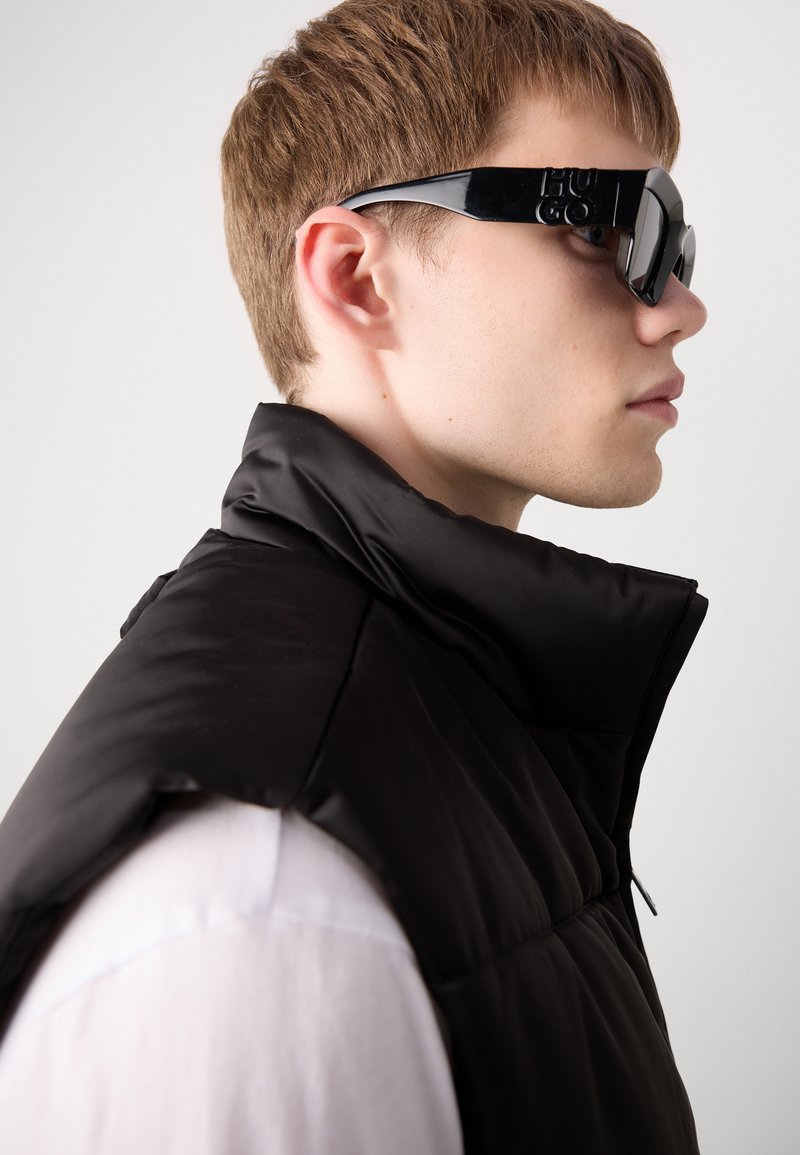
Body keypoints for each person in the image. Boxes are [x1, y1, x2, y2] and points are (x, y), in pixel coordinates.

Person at [0, 1, 709, 1152]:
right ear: (355, 278)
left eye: (671, 242)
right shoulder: (262, 908)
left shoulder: (457, 694)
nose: (678, 304)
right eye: (604, 227)